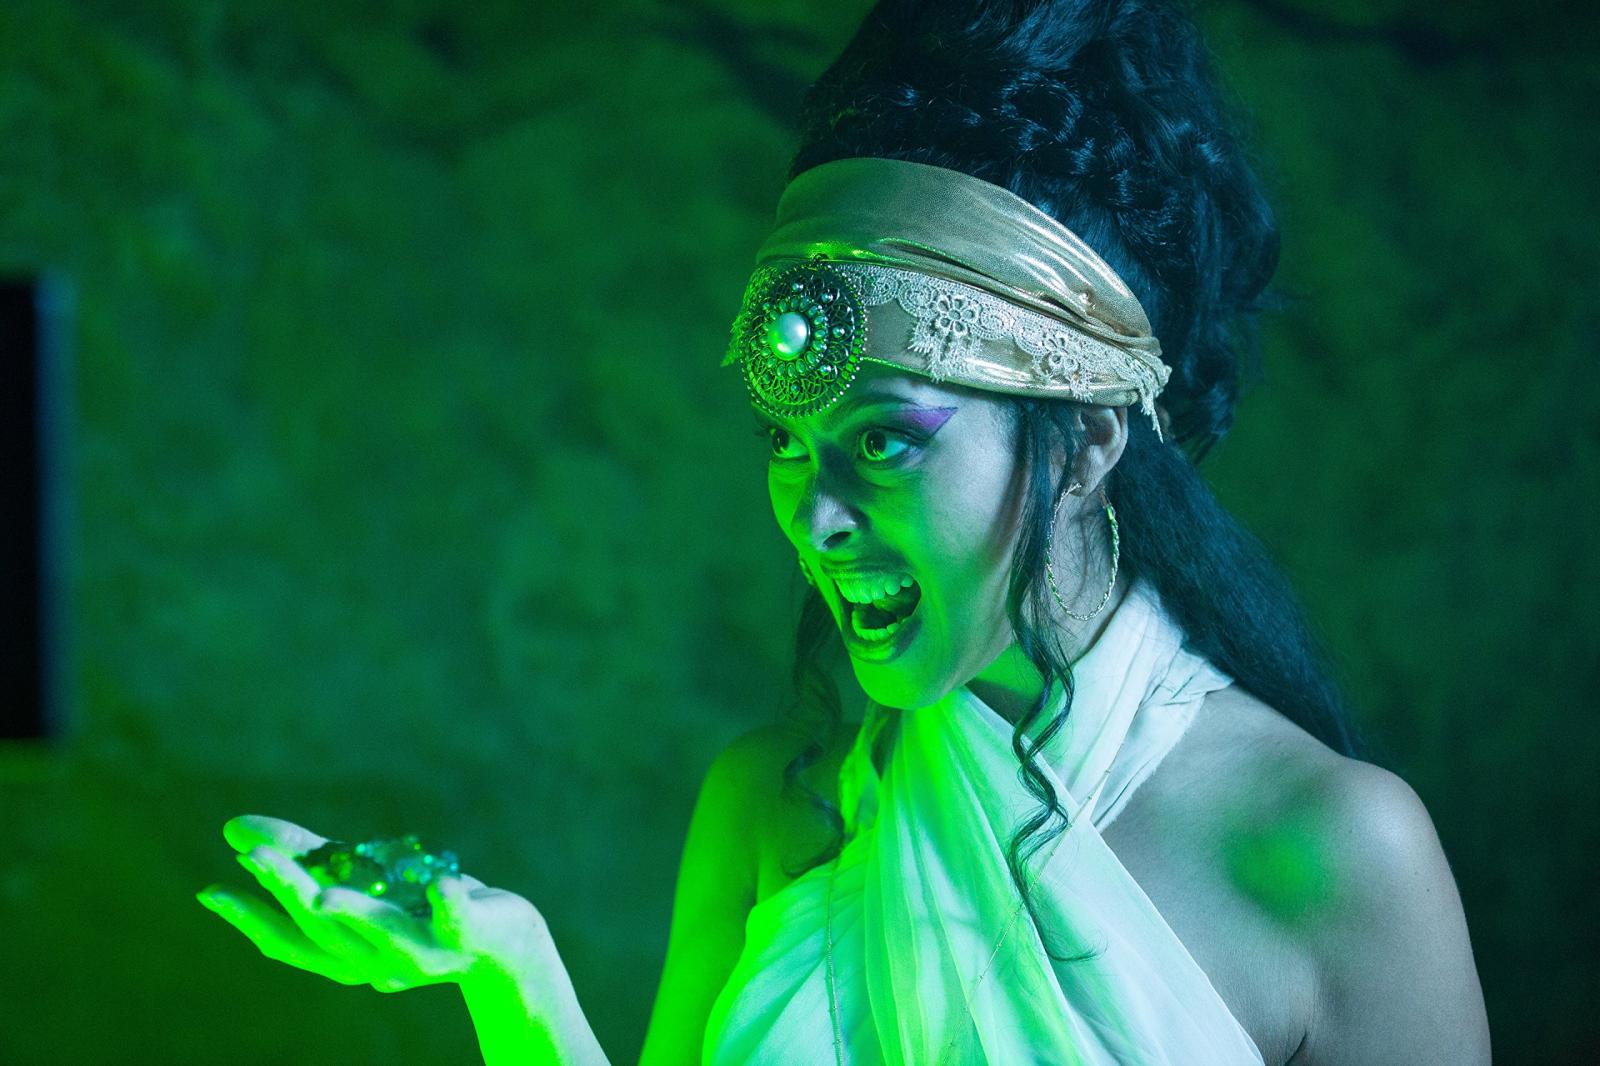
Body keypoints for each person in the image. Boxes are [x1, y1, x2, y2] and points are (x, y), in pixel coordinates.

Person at [197, 1, 1491, 1062]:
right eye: (786, 442)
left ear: (1091, 438)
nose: (813, 519)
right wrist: (510, 973)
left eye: (883, 442)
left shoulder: (1330, 850)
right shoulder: (771, 806)